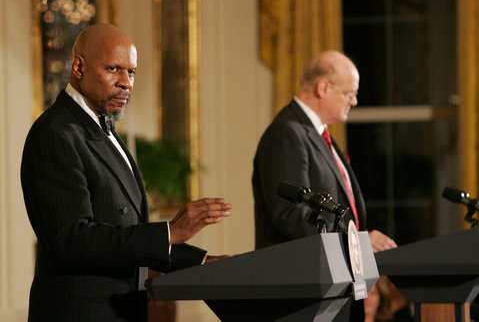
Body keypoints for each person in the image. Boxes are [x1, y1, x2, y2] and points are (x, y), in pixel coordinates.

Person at [20, 23, 231, 322]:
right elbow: (73, 238)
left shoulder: (100, 128)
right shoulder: (57, 133)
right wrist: (169, 232)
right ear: (79, 67)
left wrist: (201, 262)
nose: (126, 83)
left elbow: (123, 231)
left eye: (131, 72)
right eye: (113, 69)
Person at [252, 50, 397, 252]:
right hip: (301, 275)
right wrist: (355, 241)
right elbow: (289, 213)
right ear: (323, 87)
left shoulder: (317, 133)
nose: (354, 102)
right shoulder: (287, 134)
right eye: (349, 94)